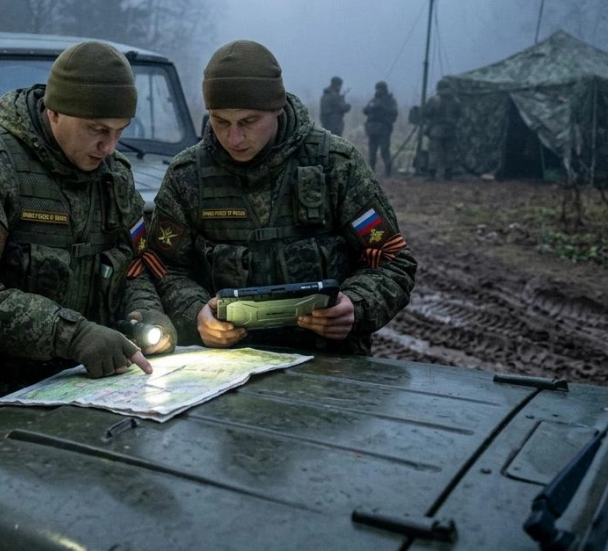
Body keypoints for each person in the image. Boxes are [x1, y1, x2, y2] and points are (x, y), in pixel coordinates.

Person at [0, 41, 177, 436]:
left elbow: (133, 262)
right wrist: (71, 334)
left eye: (120, 132)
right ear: (54, 112)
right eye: (97, 130)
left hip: (79, 399)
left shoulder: (114, 176)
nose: (108, 147)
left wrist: (145, 314)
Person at [144, 40, 416, 355]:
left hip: (328, 364)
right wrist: (194, 314)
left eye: (248, 122)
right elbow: (163, 266)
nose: (234, 137)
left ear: (277, 108)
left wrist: (356, 305)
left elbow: (392, 260)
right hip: (221, 370)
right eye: (220, 122)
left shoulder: (335, 165)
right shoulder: (188, 175)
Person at [420, 78, 462, 181]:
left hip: (437, 129)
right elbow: (459, 115)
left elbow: (426, 113)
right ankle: (448, 174)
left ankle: (431, 174)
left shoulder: (434, 100)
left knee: (434, 152)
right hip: (451, 129)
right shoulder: (456, 100)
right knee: (449, 152)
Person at [363, 81, 398, 177]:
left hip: (384, 129)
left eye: (380, 89)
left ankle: (388, 171)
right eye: (377, 89)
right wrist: (373, 107)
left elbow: (394, 112)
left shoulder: (390, 101)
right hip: (372, 129)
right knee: (372, 151)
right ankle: (371, 171)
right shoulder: (373, 100)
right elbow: (365, 110)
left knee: (384, 150)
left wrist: (382, 107)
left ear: (385, 89)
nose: (378, 91)